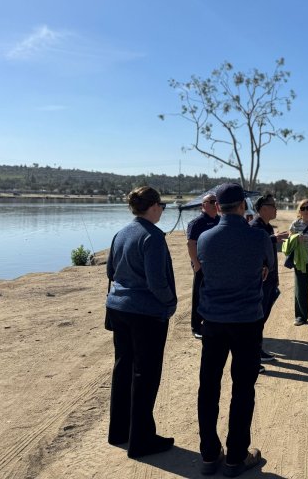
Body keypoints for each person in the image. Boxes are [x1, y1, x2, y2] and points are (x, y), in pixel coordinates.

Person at [196, 183, 274, 476]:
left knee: (209, 387)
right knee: (242, 388)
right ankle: (235, 457)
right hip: (247, 322)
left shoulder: (204, 238)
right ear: (243, 206)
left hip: (213, 322)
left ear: (217, 207)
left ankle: (208, 454)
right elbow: (269, 269)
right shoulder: (258, 237)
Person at [105, 186, 177, 459]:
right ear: (153, 206)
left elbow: (111, 271)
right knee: (145, 376)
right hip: (146, 313)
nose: (162, 210)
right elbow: (157, 281)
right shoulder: (153, 237)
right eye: (162, 206)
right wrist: (170, 303)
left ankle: (119, 431)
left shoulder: (121, 233)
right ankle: (142, 440)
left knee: (123, 369)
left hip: (118, 308)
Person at [250, 194, 289, 367]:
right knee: (257, 319)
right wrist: (274, 239)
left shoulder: (267, 227)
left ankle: (257, 349)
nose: (276, 208)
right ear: (263, 209)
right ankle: (254, 354)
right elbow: (254, 248)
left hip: (270, 279)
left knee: (262, 317)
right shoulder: (254, 226)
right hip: (261, 281)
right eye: (272, 205)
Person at [186, 193, 220, 339]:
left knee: (214, 294)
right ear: (203, 205)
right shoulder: (197, 222)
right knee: (199, 296)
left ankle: (211, 321)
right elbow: (191, 243)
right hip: (202, 265)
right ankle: (196, 326)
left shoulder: (220, 220)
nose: (214, 204)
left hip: (217, 265)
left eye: (216, 202)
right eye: (211, 201)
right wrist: (196, 264)